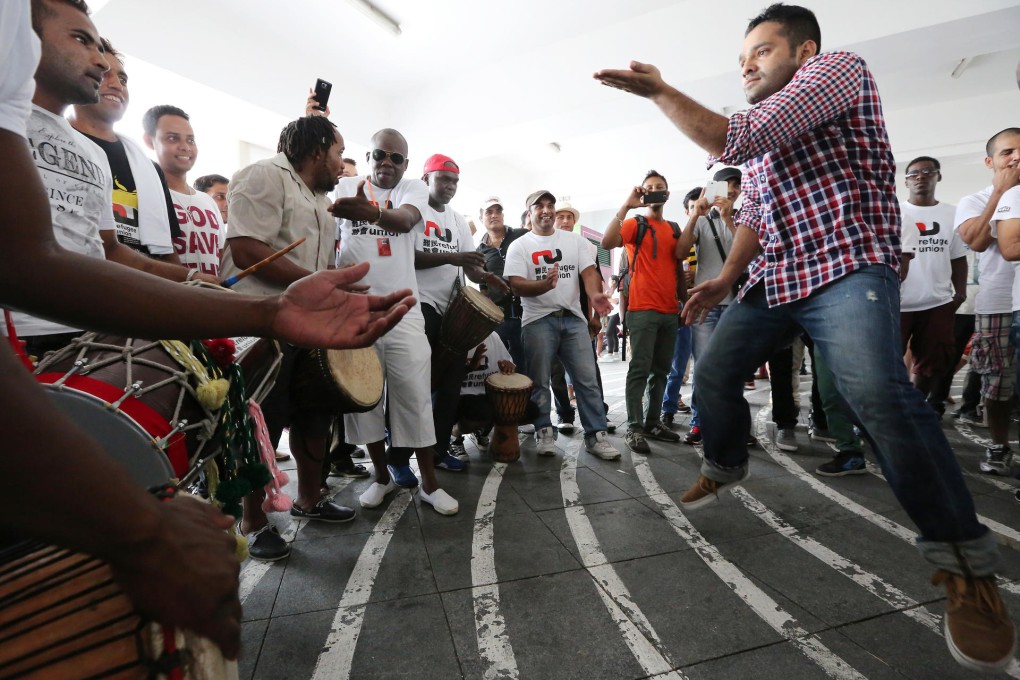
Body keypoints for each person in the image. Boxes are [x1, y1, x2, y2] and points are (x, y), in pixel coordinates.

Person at [595, 4, 1015, 670]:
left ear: (803, 50)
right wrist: (724, 281)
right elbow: (753, 221)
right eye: (742, 61)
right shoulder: (762, 154)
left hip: (847, 265)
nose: (748, 67)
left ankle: (967, 568)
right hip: (774, 280)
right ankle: (727, 462)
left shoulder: (839, 72)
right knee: (711, 373)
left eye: (761, 52)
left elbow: (735, 137)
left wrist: (660, 90)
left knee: (875, 390)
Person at [2, 0, 412, 659]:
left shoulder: (97, 153)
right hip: (37, 343)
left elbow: (74, 257)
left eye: (105, 45)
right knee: (251, 424)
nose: (103, 59)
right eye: (82, 39)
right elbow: (32, 263)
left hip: (112, 322)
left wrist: (247, 307)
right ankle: (255, 514)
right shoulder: (253, 175)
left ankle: (297, 498)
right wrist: (142, 532)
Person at [332, 128, 459, 516]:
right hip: (357, 311)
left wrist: (369, 212)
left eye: (397, 158)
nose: (387, 163)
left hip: (404, 311)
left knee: (415, 396)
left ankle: (429, 485)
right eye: (379, 155)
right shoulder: (345, 187)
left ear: (406, 163)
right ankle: (381, 478)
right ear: (367, 156)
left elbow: (404, 222)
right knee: (363, 399)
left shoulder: (411, 190)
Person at [504, 190, 619, 460]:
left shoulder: (574, 241)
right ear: (529, 213)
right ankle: (544, 431)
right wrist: (542, 285)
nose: (546, 210)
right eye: (539, 206)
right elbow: (515, 284)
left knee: (587, 381)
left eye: (550, 205)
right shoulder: (520, 246)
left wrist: (594, 295)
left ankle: (596, 435)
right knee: (540, 381)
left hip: (573, 319)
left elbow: (588, 272)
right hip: (537, 320)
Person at [413, 153, 508, 469]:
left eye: (454, 181)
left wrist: (485, 276)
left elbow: (469, 264)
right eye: (443, 179)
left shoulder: (456, 219)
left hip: (453, 310)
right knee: (416, 384)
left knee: (449, 386)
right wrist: (451, 258)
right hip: (419, 305)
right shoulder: (413, 211)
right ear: (426, 177)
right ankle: (399, 452)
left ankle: (439, 451)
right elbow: (407, 257)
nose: (450, 186)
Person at [67, 37, 181, 261]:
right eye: (104, 74)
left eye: (123, 79)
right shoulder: (51, 144)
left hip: (144, 286)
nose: (117, 85)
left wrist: (189, 282)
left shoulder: (150, 169)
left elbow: (166, 251)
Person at [601, 171, 684, 452]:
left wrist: (683, 304)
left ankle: (652, 422)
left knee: (661, 371)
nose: (654, 191)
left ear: (667, 194)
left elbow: (677, 268)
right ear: (643, 192)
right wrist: (627, 204)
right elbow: (606, 242)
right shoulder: (635, 223)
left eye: (660, 187)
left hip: (669, 310)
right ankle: (634, 427)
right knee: (639, 370)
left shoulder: (674, 227)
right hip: (642, 308)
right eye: (649, 188)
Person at [956, 128, 1020, 475]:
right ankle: (998, 445)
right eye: (1007, 152)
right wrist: (1001, 192)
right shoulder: (976, 200)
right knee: (997, 382)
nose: (1016, 158)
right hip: (997, 302)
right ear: (990, 161)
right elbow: (977, 241)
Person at [898, 156, 967, 413]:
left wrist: (959, 294)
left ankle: (914, 409)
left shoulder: (952, 213)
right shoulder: (896, 212)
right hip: (898, 302)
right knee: (889, 360)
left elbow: (958, 257)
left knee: (934, 360)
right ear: (906, 181)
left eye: (927, 172)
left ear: (938, 176)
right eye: (914, 174)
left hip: (937, 302)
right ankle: (890, 411)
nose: (920, 177)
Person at [144, 105, 223, 278]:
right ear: (150, 141)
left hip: (210, 297)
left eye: (190, 140)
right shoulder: (146, 194)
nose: (185, 147)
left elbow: (220, 255)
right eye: (173, 138)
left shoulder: (208, 201)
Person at [476, 196, 529, 368]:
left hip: (528, 315)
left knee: (529, 368)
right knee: (500, 368)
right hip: (500, 319)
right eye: (489, 212)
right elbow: (483, 288)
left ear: (503, 215)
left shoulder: (521, 236)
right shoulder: (480, 251)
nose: (494, 215)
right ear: (481, 218)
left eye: (498, 211)